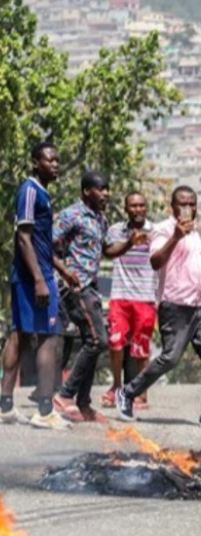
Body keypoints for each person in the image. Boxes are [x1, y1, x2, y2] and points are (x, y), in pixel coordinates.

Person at [115, 186, 201, 429]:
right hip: (175, 306)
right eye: (182, 204)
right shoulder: (163, 229)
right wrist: (176, 236)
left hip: (200, 305)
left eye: (192, 204)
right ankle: (128, 392)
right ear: (172, 207)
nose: (188, 208)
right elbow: (155, 261)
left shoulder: (196, 233)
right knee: (170, 358)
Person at [0, 142, 71, 429]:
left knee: (18, 334)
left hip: (33, 274)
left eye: (57, 160)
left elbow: (39, 242)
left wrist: (61, 269)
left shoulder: (41, 193)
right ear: (35, 163)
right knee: (48, 338)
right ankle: (44, 410)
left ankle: (4, 405)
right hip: (33, 278)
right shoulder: (29, 191)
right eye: (49, 160)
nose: (55, 165)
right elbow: (23, 238)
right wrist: (41, 280)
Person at [52, 170, 116, 423]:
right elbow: (46, 245)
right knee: (97, 340)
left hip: (91, 285)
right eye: (101, 189)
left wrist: (132, 242)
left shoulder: (100, 219)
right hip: (73, 286)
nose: (106, 194)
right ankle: (65, 396)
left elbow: (108, 250)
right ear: (86, 191)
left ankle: (84, 404)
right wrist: (65, 273)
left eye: (107, 189)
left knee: (95, 340)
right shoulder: (71, 215)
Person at [101, 192, 155, 410]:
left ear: (146, 208)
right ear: (126, 209)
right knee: (115, 343)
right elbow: (109, 253)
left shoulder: (156, 231)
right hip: (120, 295)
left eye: (141, 205)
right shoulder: (115, 230)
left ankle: (141, 393)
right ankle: (116, 386)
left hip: (146, 296)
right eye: (133, 206)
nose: (138, 209)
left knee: (141, 347)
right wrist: (129, 242)